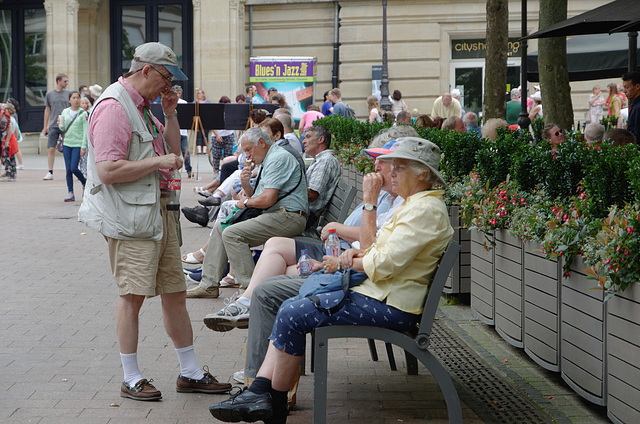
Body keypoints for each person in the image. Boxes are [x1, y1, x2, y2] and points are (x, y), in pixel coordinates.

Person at [209, 138, 453, 423]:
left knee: (292, 312)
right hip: (379, 292)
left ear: (423, 174)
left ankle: (271, 404)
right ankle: (265, 395)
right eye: (393, 167)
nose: (392, 173)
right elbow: (381, 251)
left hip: (389, 303)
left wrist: (345, 260)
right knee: (294, 305)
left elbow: (382, 263)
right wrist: (357, 254)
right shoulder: (416, 205)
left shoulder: (423, 210)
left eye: (400, 168)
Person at [78, 42, 231, 401]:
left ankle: (190, 373)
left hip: (158, 213)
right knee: (131, 297)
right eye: (165, 77)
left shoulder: (143, 106)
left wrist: (171, 114)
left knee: (175, 293)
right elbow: (108, 170)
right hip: (132, 219)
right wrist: (156, 164)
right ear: (145, 69)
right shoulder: (115, 107)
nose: (169, 86)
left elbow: (171, 152)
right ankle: (131, 378)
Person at [202, 137, 402, 334]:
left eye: (382, 161)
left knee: (262, 276)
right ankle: (244, 299)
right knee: (266, 248)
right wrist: (247, 187)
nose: (374, 167)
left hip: (340, 253)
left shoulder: (384, 198)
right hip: (337, 248)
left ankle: (247, 300)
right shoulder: (385, 195)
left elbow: (370, 246)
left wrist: (340, 225)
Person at [186, 126, 308, 298]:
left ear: (261, 142)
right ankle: (208, 285)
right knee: (222, 226)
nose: (248, 155)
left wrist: (246, 202)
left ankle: (250, 291)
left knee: (232, 234)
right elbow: (261, 197)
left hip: (289, 216)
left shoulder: (278, 158)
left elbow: (267, 199)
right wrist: (246, 186)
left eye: (249, 150)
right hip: (279, 214)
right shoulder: (270, 158)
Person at [58, 91, 88, 202]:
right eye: (74, 98)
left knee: (74, 167)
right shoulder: (65, 112)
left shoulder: (83, 113)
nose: (76, 100)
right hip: (67, 143)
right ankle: (70, 192)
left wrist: (83, 146)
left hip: (77, 143)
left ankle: (84, 182)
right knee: (68, 170)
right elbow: (62, 128)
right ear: (69, 100)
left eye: (78, 97)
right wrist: (60, 124)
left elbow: (86, 131)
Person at [42, 73, 71, 181]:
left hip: (67, 124)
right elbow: (47, 109)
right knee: (51, 148)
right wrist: (45, 127)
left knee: (68, 148)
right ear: (58, 81)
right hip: (54, 124)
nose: (66, 83)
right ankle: (50, 171)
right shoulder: (50, 94)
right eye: (65, 81)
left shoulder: (69, 93)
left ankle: (70, 169)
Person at [211, 96, 235, 174]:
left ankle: (227, 172)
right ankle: (216, 172)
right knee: (216, 155)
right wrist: (217, 135)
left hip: (229, 134)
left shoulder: (231, 112)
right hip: (217, 135)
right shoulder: (215, 112)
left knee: (228, 155)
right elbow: (212, 124)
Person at [172, 85, 192, 178]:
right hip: (174, 131)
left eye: (179, 93)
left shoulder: (183, 102)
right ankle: (173, 170)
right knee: (173, 152)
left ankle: (189, 170)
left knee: (185, 152)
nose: (178, 95)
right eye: (176, 93)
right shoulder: (170, 102)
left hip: (183, 131)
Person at [1, 103, 18, 182]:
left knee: (6, 157)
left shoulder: (7, 119)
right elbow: (16, 130)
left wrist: (7, 141)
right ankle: (13, 173)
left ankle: (9, 174)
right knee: (12, 157)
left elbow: (10, 129)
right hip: (12, 139)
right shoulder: (13, 119)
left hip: (7, 138)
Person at [622, 71, 640, 141]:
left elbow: (637, 134)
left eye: (627, 87)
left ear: (637, 86)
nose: (624, 91)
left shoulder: (638, 107)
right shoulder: (635, 105)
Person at [195, 88, 211, 154]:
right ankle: (199, 150)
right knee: (198, 135)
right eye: (198, 93)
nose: (199, 95)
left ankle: (204, 150)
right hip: (197, 121)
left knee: (205, 135)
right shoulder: (195, 102)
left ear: (203, 94)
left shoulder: (207, 102)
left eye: (200, 93)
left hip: (205, 120)